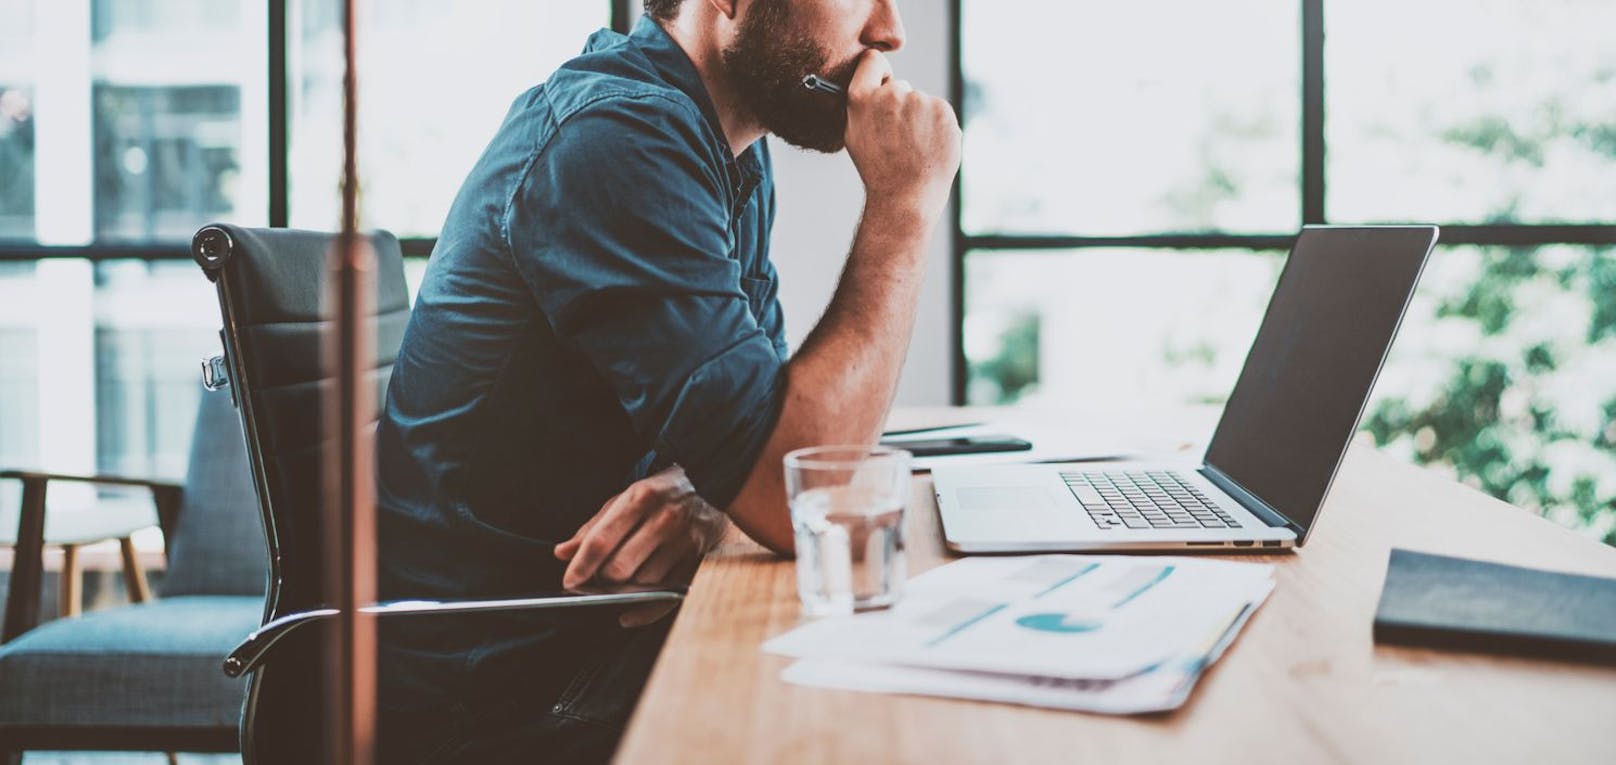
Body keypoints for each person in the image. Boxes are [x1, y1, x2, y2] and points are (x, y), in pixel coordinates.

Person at [374, 0, 959, 760]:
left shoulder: (726, 151)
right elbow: (802, 490)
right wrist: (905, 204)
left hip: (592, 643)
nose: (890, 32)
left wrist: (707, 493)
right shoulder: (617, 140)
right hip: (498, 700)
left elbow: (765, 427)